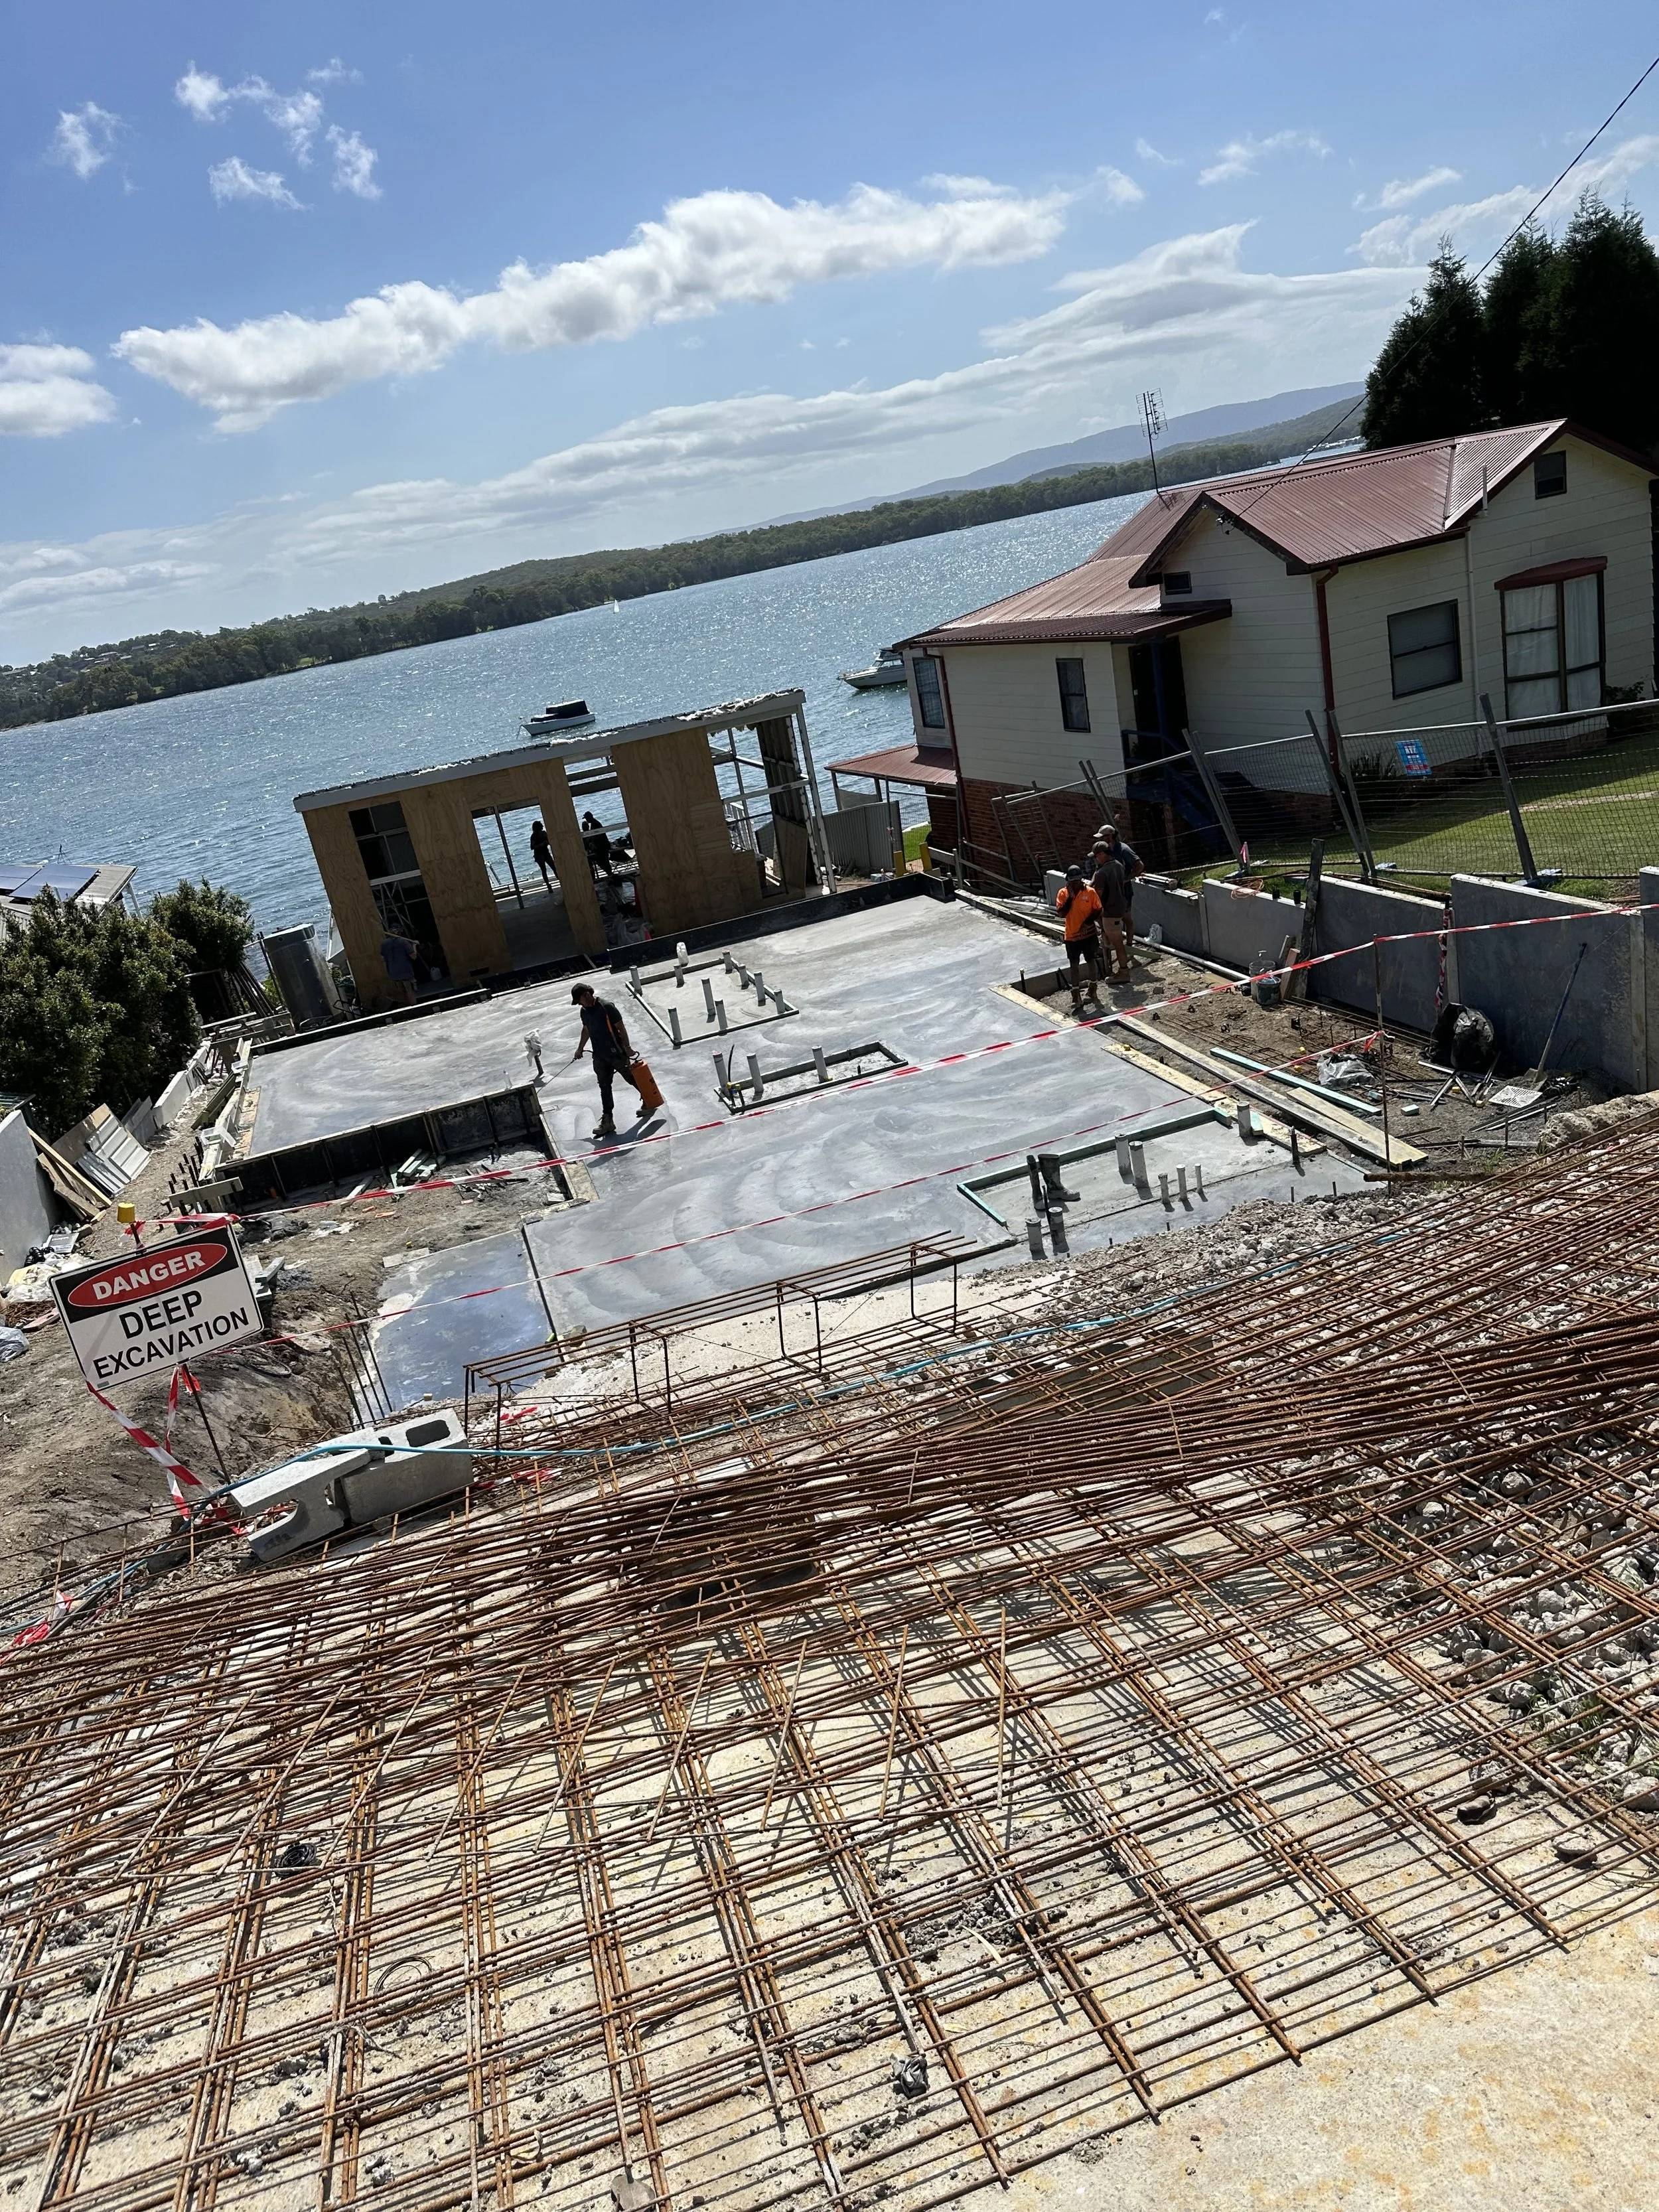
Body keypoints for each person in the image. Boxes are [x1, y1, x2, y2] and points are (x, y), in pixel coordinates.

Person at [570, 983, 636, 1138]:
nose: (580, 1004)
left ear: (587, 994)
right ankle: (608, 1120)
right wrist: (579, 1049)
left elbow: (621, 1027)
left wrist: (627, 1047)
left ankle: (649, 1098)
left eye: (580, 1000)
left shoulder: (607, 1007)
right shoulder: (584, 1011)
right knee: (604, 1086)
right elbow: (586, 1030)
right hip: (600, 1056)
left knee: (631, 1078)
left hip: (616, 1053)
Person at [1091, 821, 1145, 960]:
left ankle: (1129, 946)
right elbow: (1098, 870)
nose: (1102, 840)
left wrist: (1127, 879)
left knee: (1126, 918)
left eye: (1103, 837)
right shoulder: (1104, 852)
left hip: (1123, 891)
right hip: (1109, 892)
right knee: (1107, 921)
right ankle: (1112, 949)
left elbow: (1139, 866)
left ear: (1110, 836)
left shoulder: (1123, 850)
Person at [1054, 865, 1104, 1011]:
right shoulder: (1063, 894)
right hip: (1071, 936)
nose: (1074, 885)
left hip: (1088, 934)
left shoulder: (1090, 892)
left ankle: (1093, 989)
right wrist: (1070, 898)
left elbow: (1098, 909)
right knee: (1074, 964)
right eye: (1072, 882)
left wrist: (1087, 924)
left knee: (1091, 960)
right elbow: (1062, 913)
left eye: (1077, 882)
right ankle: (1076, 995)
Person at [1086, 843, 1131, 983]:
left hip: (1110, 911)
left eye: (1096, 857)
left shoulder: (1101, 873)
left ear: (1102, 854)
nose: (1096, 860)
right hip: (1121, 907)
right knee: (1115, 941)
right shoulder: (1118, 865)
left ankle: (1124, 972)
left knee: (1118, 944)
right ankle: (1120, 969)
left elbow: (1098, 895)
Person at [379, 927, 421, 1007]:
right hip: (406, 972)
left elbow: (382, 959)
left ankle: (405, 1009)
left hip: (393, 973)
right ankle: (414, 1008)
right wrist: (414, 945)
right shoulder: (403, 942)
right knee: (410, 990)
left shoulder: (384, 944)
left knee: (400, 992)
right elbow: (413, 956)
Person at [529, 818, 554, 893]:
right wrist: (541, 845)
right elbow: (532, 847)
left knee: (553, 867)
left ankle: (556, 882)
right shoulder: (534, 836)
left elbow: (549, 841)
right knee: (545, 869)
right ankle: (548, 885)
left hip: (545, 853)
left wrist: (548, 842)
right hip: (539, 854)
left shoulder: (543, 833)